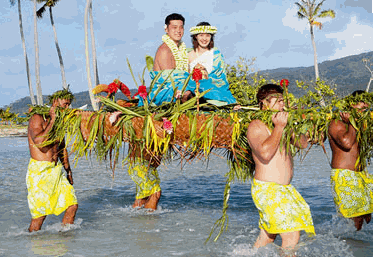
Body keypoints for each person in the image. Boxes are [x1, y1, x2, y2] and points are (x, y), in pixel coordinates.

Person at [246, 84, 315, 251]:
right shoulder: (256, 125)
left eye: (283, 101)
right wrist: (279, 127)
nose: (282, 105)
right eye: (278, 101)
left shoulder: (282, 124)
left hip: (283, 189)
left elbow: (302, 143)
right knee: (291, 234)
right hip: (269, 189)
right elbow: (265, 154)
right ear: (264, 103)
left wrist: (299, 122)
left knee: (268, 237)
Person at [26, 89, 78, 232]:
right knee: (40, 216)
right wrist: (53, 119)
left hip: (56, 170)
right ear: (55, 101)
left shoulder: (59, 122)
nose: (67, 108)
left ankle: (65, 244)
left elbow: (62, 148)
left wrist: (68, 170)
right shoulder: (37, 118)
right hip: (39, 172)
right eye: (65, 104)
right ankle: (33, 246)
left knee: (72, 205)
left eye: (69, 105)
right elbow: (40, 142)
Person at [328, 90, 372, 230]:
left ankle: (362, 247)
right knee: (356, 218)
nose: (364, 112)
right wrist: (352, 123)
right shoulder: (336, 123)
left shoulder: (362, 125)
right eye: (361, 109)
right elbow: (346, 143)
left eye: (366, 109)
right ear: (351, 105)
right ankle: (349, 248)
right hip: (345, 176)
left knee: (367, 216)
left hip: (361, 176)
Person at [140, 13, 192, 106]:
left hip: (180, 87)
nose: (178, 31)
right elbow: (170, 81)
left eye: (181, 27)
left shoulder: (182, 50)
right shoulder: (165, 50)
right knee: (187, 94)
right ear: (166, 29)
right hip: (165, 91)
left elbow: (186, 75)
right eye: (174, 27)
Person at [187, 22, 237, 105]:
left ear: (211, 37)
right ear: (196, 36)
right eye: (201, 35)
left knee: (208, 86)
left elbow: (221, 79)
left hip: (213, 90)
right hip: (193, 91)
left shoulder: (216, 55)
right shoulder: (188, 55)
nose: (204, 38)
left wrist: (206, 78)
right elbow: (185, 76)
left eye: (207, 35)